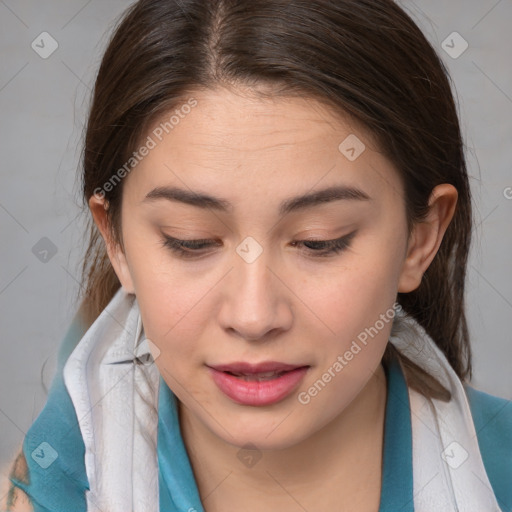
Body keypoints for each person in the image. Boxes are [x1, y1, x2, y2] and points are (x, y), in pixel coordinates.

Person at [2, 0, 511, 511]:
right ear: (117, 241)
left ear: (420, 237)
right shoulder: (52, 490)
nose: (253, 316)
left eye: (319, 240)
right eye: (191, 240)